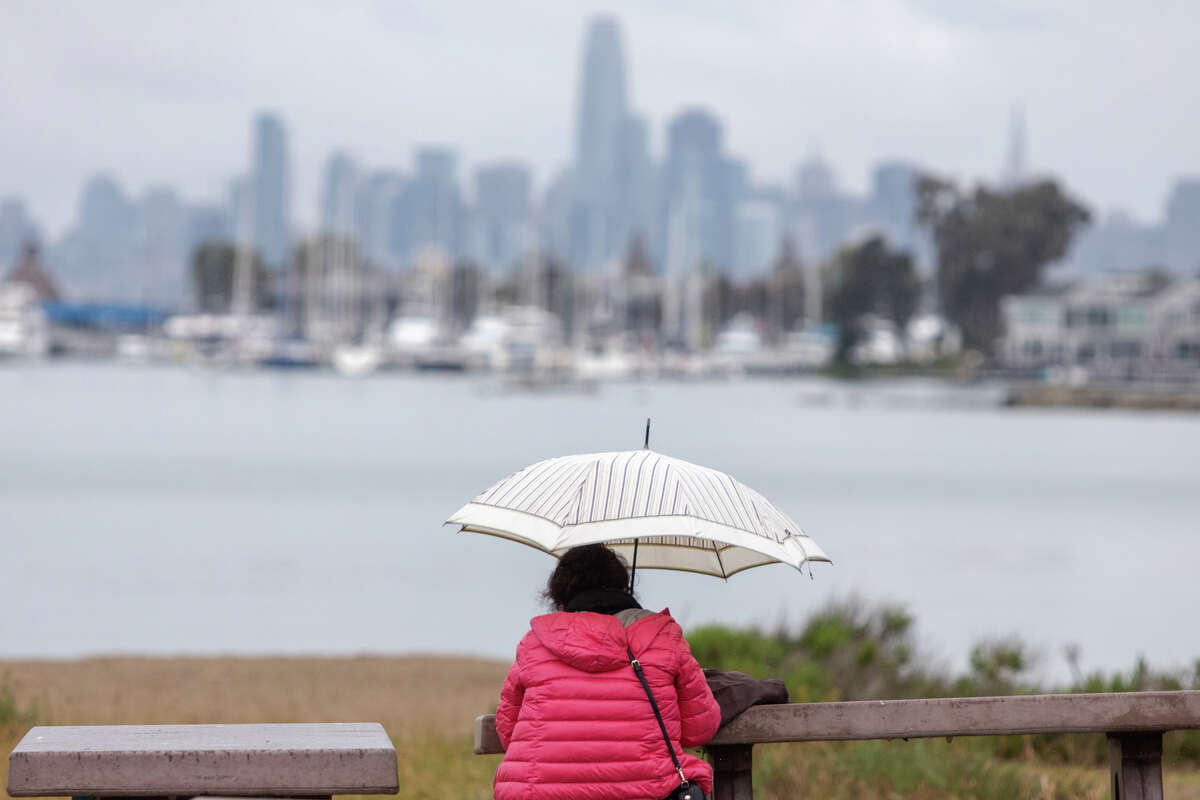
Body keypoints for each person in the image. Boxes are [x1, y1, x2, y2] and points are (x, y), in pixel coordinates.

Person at [493, 544, 722, 800]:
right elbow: (700, 728)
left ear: (560, 599)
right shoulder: (664, 638)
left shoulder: (534, 643)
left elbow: (507, 732)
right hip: (648, 793)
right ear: (625, 589)